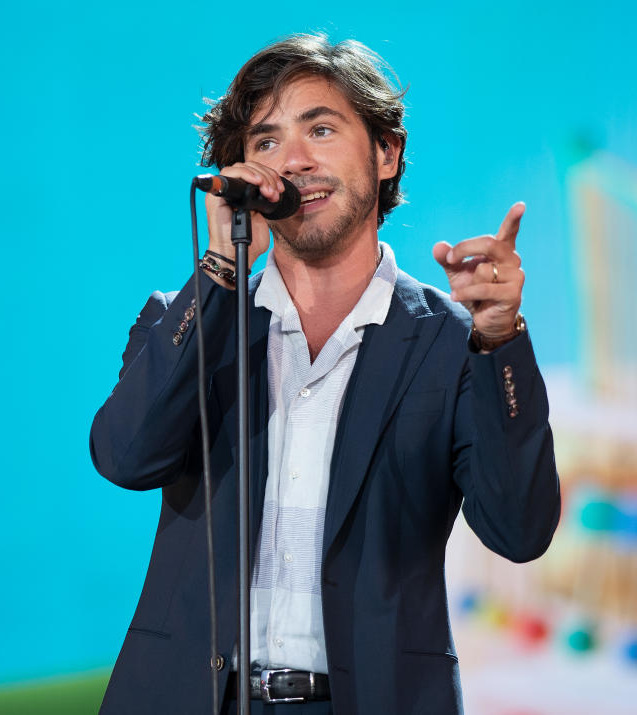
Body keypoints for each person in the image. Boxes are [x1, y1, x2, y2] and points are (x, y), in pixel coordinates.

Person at [90, 33, 560, 715]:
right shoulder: (188, 318)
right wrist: (221, 267)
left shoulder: (456, 344)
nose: (295, 159)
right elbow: (126, 456)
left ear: (387, 151)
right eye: (267, 140)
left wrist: (500, 338)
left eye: (321, 127)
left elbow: (520, 530)